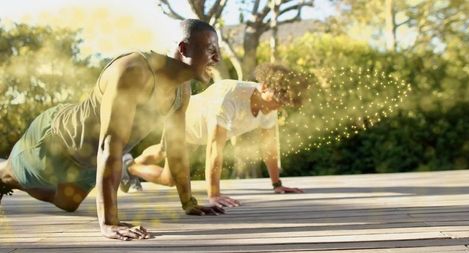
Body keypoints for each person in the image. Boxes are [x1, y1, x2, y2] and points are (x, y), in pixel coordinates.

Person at [0, 19, 224, 241]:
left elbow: (176, 148)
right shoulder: (134, 71)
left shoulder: (182, 90)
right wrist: (109, 223)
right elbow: (110, 145)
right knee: (16, 175)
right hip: (55, 143)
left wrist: (188, 203)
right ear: (183, 49)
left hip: (92, 161)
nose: (218, 58)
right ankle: (6, 178)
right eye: (211, 49)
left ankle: (13, 181)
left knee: (69, 203)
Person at [122, 64, 311, 207]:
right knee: (170, 178)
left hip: (198, 134)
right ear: (265, 86)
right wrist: (214, 195)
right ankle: (129, 167)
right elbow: (215, 149)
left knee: (160, 152)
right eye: (277, 100)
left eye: (283, 103)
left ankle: (127, 163)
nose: (277, 106)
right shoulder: (230, 97)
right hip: (181, 123)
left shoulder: (271, 109)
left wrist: (277, 184)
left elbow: (269, 147)